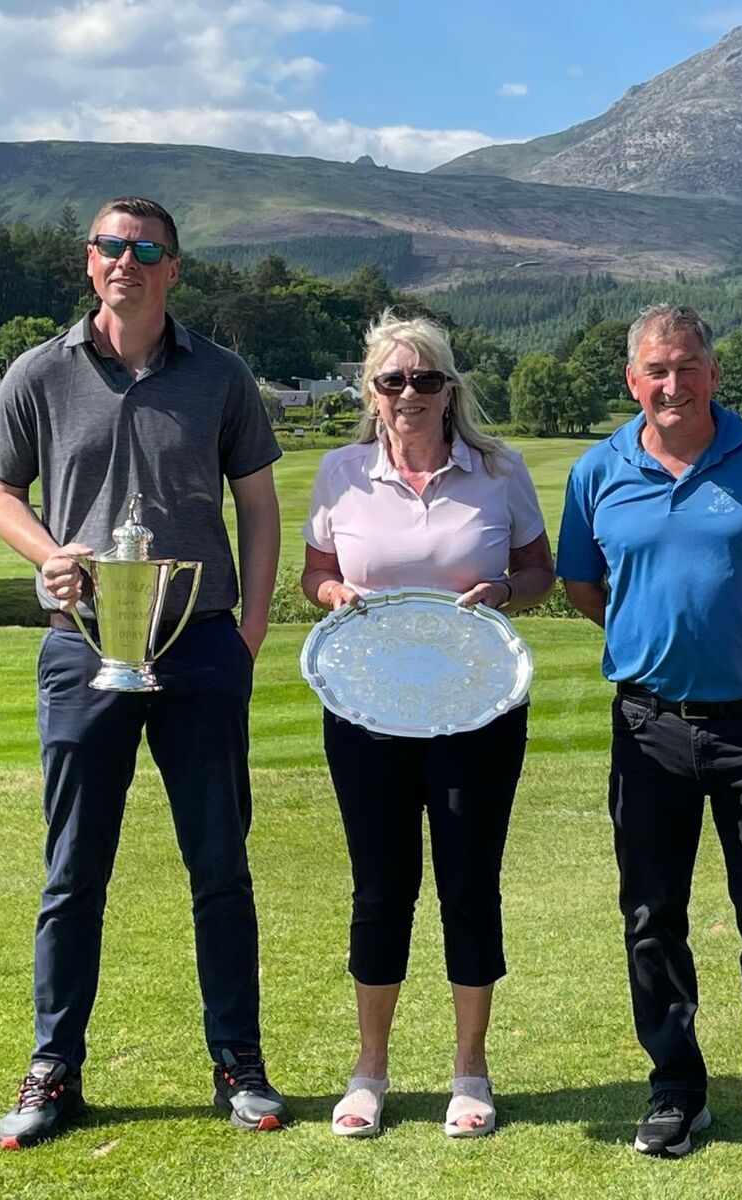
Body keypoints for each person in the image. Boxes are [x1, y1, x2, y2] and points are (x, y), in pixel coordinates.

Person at [0, 196, 287, 1148]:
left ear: (173, 268)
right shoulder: (40, 372)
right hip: (82, 643)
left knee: (219, 867)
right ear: (89, 261)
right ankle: (53, 1067)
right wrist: (46, 552)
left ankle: (237, 1060)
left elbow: (260, 509)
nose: (128, 261)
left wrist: (251, 633)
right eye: (113, 246)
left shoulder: (222, 375)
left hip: (199, 648)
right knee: (73, 869)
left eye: (147, 249)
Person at [557, 304, 742, 1164]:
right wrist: (651, 643)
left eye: (685, 366)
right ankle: (675, 1086)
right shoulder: (597, 470)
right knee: (651, 914)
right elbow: (581, 583)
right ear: (632, 381)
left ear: (713, 373)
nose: (671, 384)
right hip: (648, 726)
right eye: (654, 370)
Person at [301, 311, 554, 1138]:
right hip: (367, 711)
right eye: (391, 380)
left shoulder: (498, 470)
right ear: (371, 393)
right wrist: (336, 596)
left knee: (469, 885)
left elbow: (537, 570)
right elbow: (317, 575)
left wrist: (507, 595)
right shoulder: (339, 473)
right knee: (381, 890)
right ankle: (368, 1070)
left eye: (425, 379)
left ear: (450, 389)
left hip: (478, 715)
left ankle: (469, 1070)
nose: (408, 394)